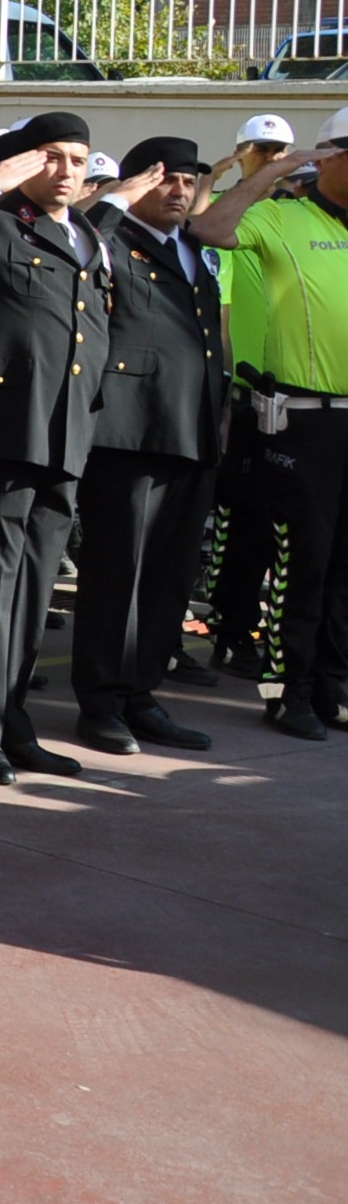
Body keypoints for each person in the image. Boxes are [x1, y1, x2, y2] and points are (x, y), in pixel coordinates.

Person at [0, 114, 111, 783]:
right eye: (53, 158)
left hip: (64, 435)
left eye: (77, 159)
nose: (66, 171)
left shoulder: (87, 236)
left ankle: (14, 724)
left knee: (34, 589)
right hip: (3, 432)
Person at [186, 109, 348, 737]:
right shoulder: (280, 217)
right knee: (300, 563)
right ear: (329, 156)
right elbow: (208, 228)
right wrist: (271, 174)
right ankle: (287, 692)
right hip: (303, 421)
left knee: (344, 567)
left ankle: (332, 685)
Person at [69, 138, 223, 755]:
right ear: (137, 184)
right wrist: (117, 197)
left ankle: (142, 693)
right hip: (128, 432)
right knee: (117, 574)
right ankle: (101, 701)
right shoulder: (107, 238)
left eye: (188, 181)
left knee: (168, 575)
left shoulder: (192, 246)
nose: (180, 191)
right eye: (166, 179)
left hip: (191, 428)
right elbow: (78, 239)